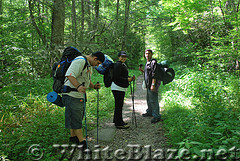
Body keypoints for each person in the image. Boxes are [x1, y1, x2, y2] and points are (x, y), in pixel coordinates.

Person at [62, 51, 105, 148]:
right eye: (98, 63)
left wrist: (93, 86)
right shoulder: (80, 61)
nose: (97, 65)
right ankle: (82, 144)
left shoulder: (88, 65)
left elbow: (86, 80)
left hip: (78, 95)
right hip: (72, 94)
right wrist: (78, 87)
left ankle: (73, 138)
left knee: (76, 118)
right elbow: (70, 75)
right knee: (76, 119)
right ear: (95, 58)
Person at [111, 51, 135, 129]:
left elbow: (122, 75)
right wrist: (127, 79)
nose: (123, 58)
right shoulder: (118, 64)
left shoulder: (122, 64)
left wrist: (129, 78)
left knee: (119, 105)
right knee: (119, 105)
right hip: (117, 87)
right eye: (122, 56)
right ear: (119, 57)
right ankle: (119, 123)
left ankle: (118, 120)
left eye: (125, 57)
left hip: (120, 87)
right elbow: (116, 77)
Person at [139, 49, 162, 123]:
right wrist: (142, 71)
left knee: (154, 100)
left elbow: (154, 74)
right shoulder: (147, 63)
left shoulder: (153, 62)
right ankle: (150, 112)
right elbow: (148, 73)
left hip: (152, 84)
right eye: (146, 54)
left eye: (149, 53)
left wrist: (153, 85)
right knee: (149, 99)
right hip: (148, 85)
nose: (147, 55)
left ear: (152, 54)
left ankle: (157, 116)